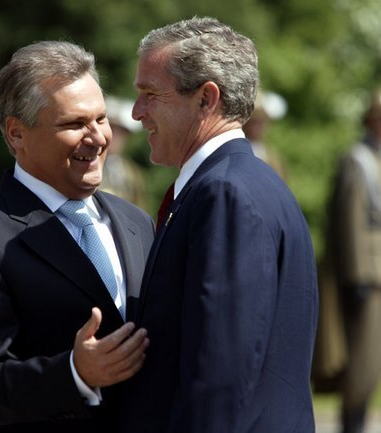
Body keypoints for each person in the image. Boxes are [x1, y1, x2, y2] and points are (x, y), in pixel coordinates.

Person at [0, 41, 155, 433]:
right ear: (17, 134)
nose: (99, 137)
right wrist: (74, 373)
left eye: (101, 119)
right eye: (74, 124)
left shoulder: (136, 221)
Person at [119, 16, 319, 433]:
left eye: (150, 94)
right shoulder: (245, 183)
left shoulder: (225, 194)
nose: (137, 113)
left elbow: (220, 373)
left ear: (206, 99)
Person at [314, 89, 381, 433]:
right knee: (362, 364)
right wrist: (356, 277)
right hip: (367, 278)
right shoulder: (358, 160)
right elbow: (351, 220)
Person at [100, 96, 147, 208]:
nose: (115, 138)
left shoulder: (132, 174)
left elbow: (138, 210)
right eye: (112, 129)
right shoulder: (84, 165)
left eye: (121, 133)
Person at [243, 90, 288, 180]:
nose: (257, 127)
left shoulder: (272, 157)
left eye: (261, 122)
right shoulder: (236, 149)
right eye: (253, 122)